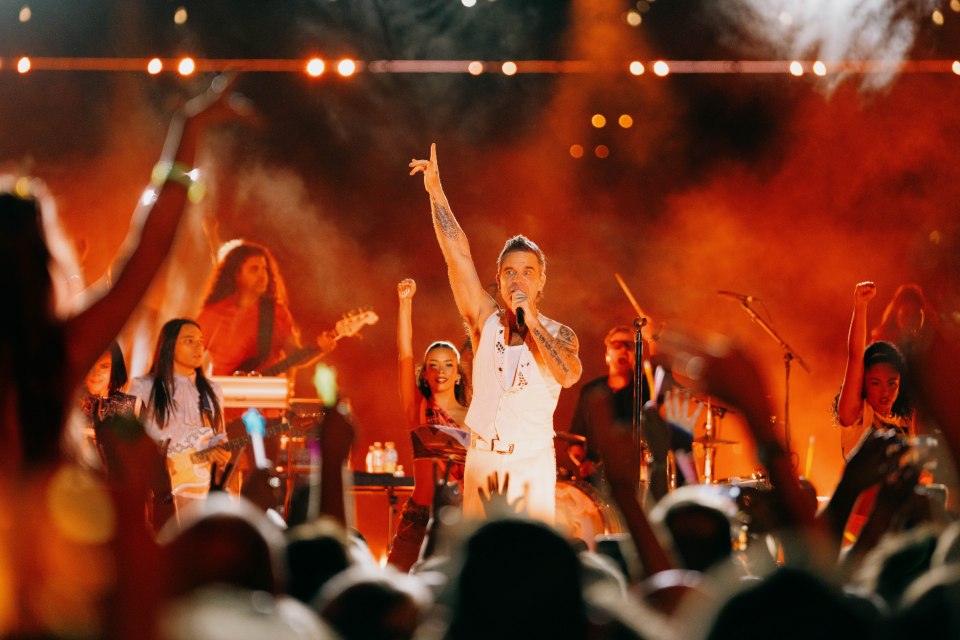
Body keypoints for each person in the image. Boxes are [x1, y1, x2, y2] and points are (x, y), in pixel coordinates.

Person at [409, 143, 582, 524]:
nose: (517, 279)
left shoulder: (559, 333)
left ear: (541, 282)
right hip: (483, 459)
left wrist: (532, 321)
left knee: (525, 564)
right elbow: (458, 255)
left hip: (530, 461)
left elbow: (569, 375)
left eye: (527, 272)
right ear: (499, 280)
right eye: (509, 272)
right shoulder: (484, 320)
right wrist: (436, 192)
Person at [387, 278, 470, 571]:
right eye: (433, 364)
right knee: (392, 592)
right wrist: (405, 303)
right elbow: (404, 353)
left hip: (459, 519)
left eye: (448, 364)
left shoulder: (474, 417)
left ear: (459, 374)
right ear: (425, 375)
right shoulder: (419, 410)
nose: (440, 370)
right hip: (418, 518)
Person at [130, 318, 232, 513]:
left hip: (199, 490)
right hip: (158, 489)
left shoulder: (213, 390)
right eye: (189, 341)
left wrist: (221, 451)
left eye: (201, 341)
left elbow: (219, 435)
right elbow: (125, 437)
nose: (198, 347)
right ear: (169, 346)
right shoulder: (143, 386)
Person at [198, 239, 336, 377]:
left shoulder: (276, 312)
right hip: (225, 394)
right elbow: (184, 358)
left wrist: (319, 349)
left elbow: (295, 356)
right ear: (237, 275)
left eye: (264, 268)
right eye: (254, 269)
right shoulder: (213, 314)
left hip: (268, 393)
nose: (262, 275)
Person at [836, 282, 915, 460]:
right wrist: (860, 306)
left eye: (892, 383)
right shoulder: (857, 415)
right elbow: (855, 356)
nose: (885, 391)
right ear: (863, 383)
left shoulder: (904, 421)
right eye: (875, 383)